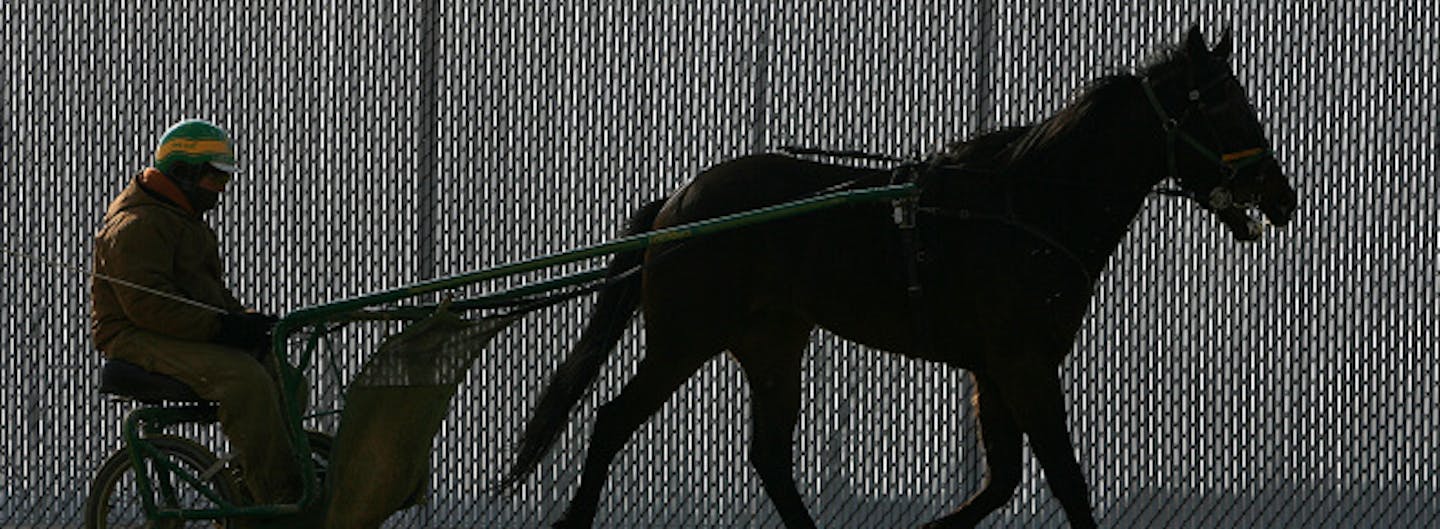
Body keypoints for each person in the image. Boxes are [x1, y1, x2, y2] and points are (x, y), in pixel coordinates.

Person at [91, 119, 301, 503]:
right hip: (133, 336)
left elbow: (209, 295)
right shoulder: (136, 225)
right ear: (184, 173)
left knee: (286, 377)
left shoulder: (184, 221)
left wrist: (248, 321)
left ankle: (249, 488)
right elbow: (149, 307)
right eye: (216, 180)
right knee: (245, 380)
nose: (222, 190)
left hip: (178, 330)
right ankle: (279, 498)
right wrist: (223, 329)